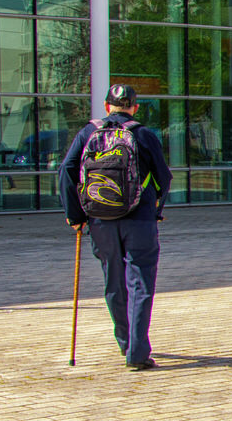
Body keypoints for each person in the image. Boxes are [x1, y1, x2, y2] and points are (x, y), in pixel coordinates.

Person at [59, 84, 172, 370]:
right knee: (141, 283)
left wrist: (76, 216)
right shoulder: (143, 134)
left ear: (107, 106)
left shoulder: (88, 133)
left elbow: (65, 172)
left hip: (100, 220)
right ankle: (137, 353)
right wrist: (156, 208)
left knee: (113, 282)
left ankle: (125, 343)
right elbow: (165, 177)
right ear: (134, 107)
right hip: (139, 220)